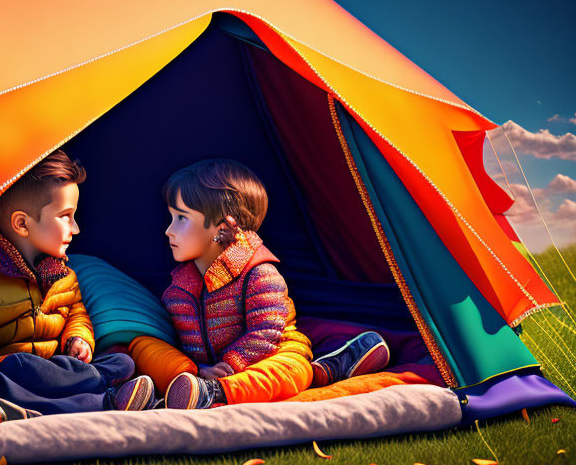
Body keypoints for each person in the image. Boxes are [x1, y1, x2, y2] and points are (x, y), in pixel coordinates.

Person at [129, 159, 390, 410]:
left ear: (223, 228)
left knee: (291, 368)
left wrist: (228, 365)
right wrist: (196, 368)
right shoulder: (179, 288)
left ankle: (213, 393)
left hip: (264, 357)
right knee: (142, 344)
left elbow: (266, 332)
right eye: (171, 217)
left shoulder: (259, 274)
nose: (169, 230)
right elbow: (175, 338)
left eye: (181, 218)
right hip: (201, 368)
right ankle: (183, 385)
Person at [0, 150, 155, 422]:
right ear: (22, 224)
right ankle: (106, 398)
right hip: (13, 375)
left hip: (59, 370)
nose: (75, 228)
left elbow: (77, 314)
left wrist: (78, 339)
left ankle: (100, 399)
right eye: (66, 216)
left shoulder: (63, 275)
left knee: (122, 362)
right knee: (21, 367)